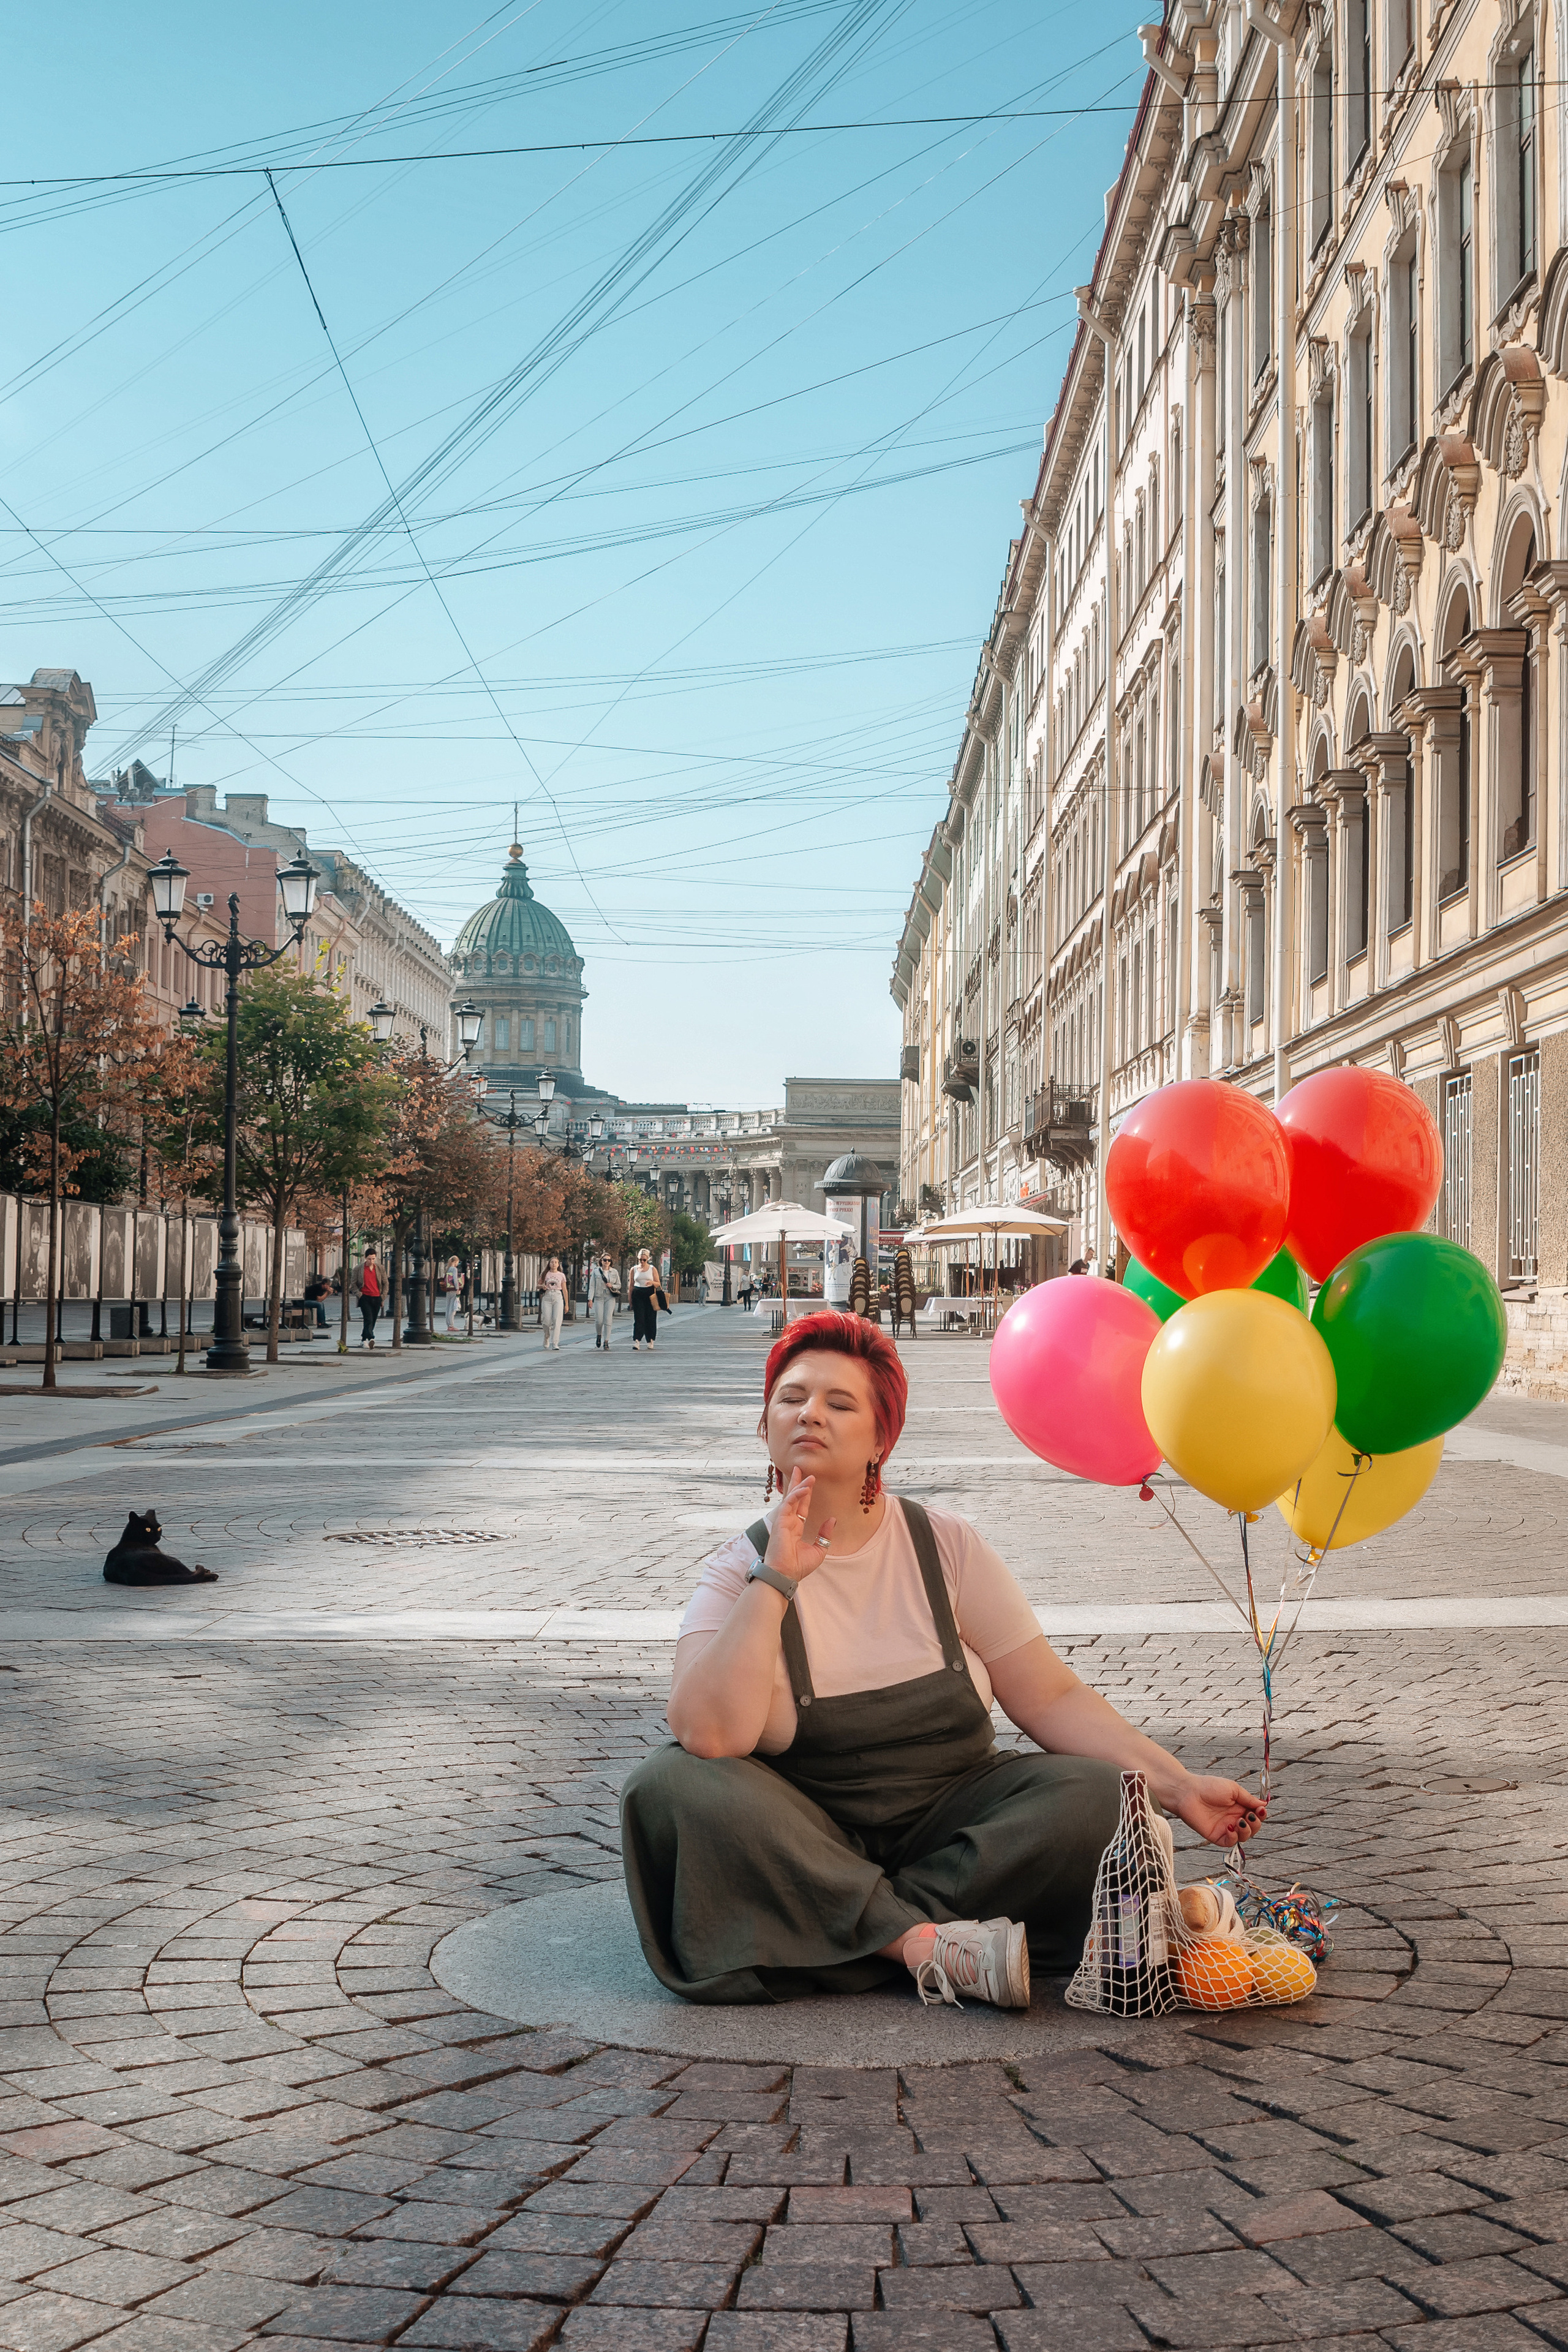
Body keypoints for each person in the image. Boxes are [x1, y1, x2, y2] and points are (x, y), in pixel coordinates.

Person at [620, 1309, 1262, 2011]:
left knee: (1101, 1800)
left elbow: (1047, 1696)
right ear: (764, 1427)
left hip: (955, 1826)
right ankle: (924, 1945)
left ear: (881, 1439)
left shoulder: (945, 1546)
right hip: (804, 1826)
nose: (810, 1414)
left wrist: (1176, 1787)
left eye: (840, 1403)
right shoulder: (732, 1572)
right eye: (791, 1397)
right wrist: (774, 1580)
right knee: (668, 1786)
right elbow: (710, 1737)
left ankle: (838, 1924)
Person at [630, 1248, 660, 1351]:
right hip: (638, 1294)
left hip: (650, 1294)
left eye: (644, 1260)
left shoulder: (652, 1269)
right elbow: (631, 1285)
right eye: (640, 1260)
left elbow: (658, 1283)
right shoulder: (634, 1269)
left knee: (650, 1318)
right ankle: (637, 1340)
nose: (642, 1262)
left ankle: (650, 1340)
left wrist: (652, 1283)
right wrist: (630, 1300)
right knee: (639, 1318)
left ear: (648, 1259)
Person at [353, 1247, 382, 1350]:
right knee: (368, 1318)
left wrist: (382, 1296)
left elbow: (385, 1283)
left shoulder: (379, 1268)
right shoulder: (358, 1269)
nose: (371, 1261)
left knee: (373, 1320)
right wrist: (359, 1295)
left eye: (373, 1259)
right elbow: (353, 1284)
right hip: (365, 1297)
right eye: (369, 1259)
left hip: (377, 1297)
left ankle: (364, 1340)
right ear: (365, 1258)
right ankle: (371, 1337)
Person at [590, 1253, 621, 1349]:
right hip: (599, 1297)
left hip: (610, 1297)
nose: (607, 1262)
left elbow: (619, 1285)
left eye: (609, 1260)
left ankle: (606, 1341)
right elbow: (592, 1286)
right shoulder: (596, 1272)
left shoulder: (614, 1272)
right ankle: (599, 1335)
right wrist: (590, 1299)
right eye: (605, 1260)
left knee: (608, 1320)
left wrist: (612, 1286)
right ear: (601, 1261)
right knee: (599, 1320)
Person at [541, 1256, 568, 1351]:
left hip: (558, 1296)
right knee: (547, 1321)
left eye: (556, 1262)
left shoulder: (561, 1275)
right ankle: (547, 1336)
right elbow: (538, 1285)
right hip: (547, 1296)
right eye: (552, 1262)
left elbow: (564, 1290)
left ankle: (555, 1343)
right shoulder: (545, 1274)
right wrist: (542, 1287)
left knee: (557, 1320)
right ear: (549, 1264)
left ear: (558, 1264)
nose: (554, 1264)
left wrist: (567, 1304)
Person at [442, 1256, 462, 1333]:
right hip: (454, 1290)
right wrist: (457, 1288)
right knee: (453, 1308)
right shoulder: (454, 1269)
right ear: (456, 1261)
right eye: (458, 1262)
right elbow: (455, 1279)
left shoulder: (448, 1268)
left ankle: (448, 1325)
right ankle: (451, 1325)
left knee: (448, 1307)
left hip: (448, 1290)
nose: (458, 1264)